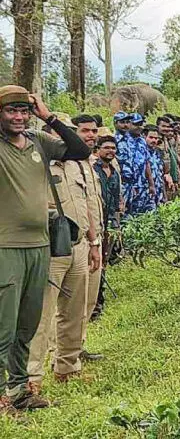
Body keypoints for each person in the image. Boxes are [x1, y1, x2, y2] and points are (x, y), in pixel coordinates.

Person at [0, 87, 90, 412]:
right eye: (11, 111)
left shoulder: (39, 140)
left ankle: (20, 390)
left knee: (27, 323)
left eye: (24, 111)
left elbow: (80, 150)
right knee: (4, 325)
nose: (19, 117)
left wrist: (48, 116)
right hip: (6, 247)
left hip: (40, 245)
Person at [27, 114, 101, 397]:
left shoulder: (76, 165)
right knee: (42, 314)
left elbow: (87, 204)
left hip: (79, 244)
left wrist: (93, 241)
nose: (64, 138)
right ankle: (32, 376)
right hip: (50, 247)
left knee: (75, 311)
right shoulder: (36, 161)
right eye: (60, 133)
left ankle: (67, 367)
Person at [70, 114, 105, 361]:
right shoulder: (65, 164)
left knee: (89, 299)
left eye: (93, 131)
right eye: (84, 131)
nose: (90, 136)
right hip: (76, 241)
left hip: (96, 238)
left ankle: (78, 347)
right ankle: (62, 353)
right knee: (72, 303)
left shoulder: (88, 163)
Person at [93, 135, 122, 319]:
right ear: (98, 149)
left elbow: (117, 199)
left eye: (113, 148)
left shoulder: (114, 172)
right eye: (107, 148)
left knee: (104, 262)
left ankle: (99, 302)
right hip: (95, 221)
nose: (110, 151)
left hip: (110, 222)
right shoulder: (92, 170)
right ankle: (93, 306)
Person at [144, 125, 166, 208]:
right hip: (146, 194)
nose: (154, 140)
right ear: (144, 136)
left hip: (158, 193)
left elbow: (160, 175)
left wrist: (164, 195)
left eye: (156, 138)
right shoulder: (141, 153)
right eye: (151, 137)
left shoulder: (157, 153)